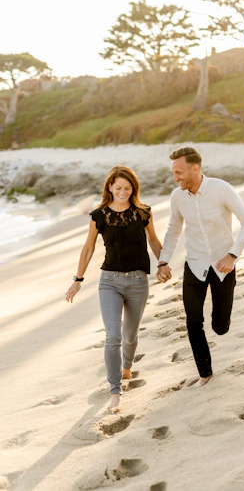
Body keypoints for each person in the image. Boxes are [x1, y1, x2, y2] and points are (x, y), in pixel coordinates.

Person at [65, 166, 163, 413]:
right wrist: (78, 279)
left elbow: (153, 240)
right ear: (109, 187)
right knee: (112, 336)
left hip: (139, 281)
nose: (122, 192)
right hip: (109, 281)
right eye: (118, 187)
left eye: (127, 188)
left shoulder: (143, 212)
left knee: (130, 335)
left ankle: (127, 367)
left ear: (134, 189)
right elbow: (88, 249)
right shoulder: (98, 216)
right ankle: (115, 390)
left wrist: (163, 263)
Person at [156, 147, 244, 387]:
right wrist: (163, 260)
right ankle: (205, 373)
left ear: (195, 168)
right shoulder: (177, 197)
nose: (175, 178)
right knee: (192, 321)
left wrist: (232, 256)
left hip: (223, 266)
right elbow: (173, 230)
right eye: (173, 173)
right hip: (195, 264)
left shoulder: (221, 189)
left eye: (179, 172)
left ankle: (219, 320)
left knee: (220, 327)